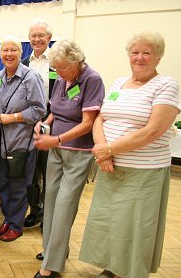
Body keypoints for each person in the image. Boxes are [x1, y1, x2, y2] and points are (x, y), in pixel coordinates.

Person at [79, 31, 181, 278]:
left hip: (144, 172)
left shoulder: (166, 84)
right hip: (109, 167)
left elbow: (153, 130)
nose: (140, 58)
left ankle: (131, 271)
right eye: (135, 52)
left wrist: (110, 149)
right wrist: (103, 153)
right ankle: (112, 267)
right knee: (109, 222)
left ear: (158, 57)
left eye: (147, 53)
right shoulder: (118, 83)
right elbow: (100, 119)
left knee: (135, 226)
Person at [33, 39, 105, 278]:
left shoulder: (92, 80)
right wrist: (44, 124)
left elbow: (88, 123)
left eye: (62, 67)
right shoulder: (63, 77)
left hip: (78, 152)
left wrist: (57, 139)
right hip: (56, 148)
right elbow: (55, 111)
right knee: (51, 200)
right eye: (56, 69)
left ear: (76, 60)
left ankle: (51, 266)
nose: (59, 73)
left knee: (65, 205)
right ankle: (53, 250)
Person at [0, 36, 46, 242]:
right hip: (2, 145)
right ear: (0, 54)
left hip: (21, 144)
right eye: (5, 50)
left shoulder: (31, 77)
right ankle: (7, 220)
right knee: (3, 185)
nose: (9, 54)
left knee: (19, 186)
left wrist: (14, 117)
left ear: (20, 53)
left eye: (13, 50)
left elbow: (39, 109)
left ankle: (16, 224)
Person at [21, 18, 56, 229]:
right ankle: (35, 210)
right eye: (33, 36)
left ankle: (48, 215)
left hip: (53, 124)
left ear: (49, 38)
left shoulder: (57, 61)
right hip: (28, 125)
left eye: (41, 36)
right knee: (31, 172)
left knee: (49, 171)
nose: (37, 39)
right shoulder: (24, 63)